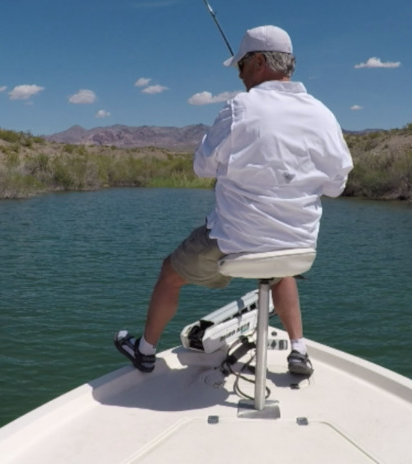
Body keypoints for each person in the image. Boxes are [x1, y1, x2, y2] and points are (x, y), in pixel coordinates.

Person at [115, 25, 353, 377]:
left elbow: (201, 167)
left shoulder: (240, 107)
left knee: (170, 272)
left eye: (241, 65)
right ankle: (298, 350)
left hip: (234, 243)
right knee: (281, 270)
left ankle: (146, 351)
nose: (240, 75)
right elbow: (336, 186)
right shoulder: (323, 114)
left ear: (258, 62)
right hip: (300, 247)